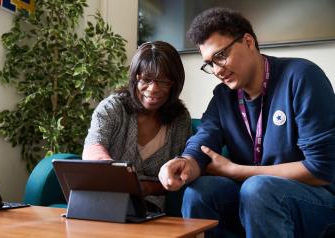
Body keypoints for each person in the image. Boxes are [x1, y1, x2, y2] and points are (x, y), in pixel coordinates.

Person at [158, 7, 335, 238]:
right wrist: (185, 163)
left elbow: (321, 170)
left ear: (248, 41)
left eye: (220, 56)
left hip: (317, 200)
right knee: (200, 191)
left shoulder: (302, 76)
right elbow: (204, 138)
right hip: (256, 197)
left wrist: (237, 171)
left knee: (258, 189)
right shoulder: (223, 96)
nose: (217, 70)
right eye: (209, 63)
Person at [83, 41, 192, 211]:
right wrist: (116, 176)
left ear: (175, 83)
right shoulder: (112, 108)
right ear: (135, 78)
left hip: (150, 209)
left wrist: (146, 188)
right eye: (146, 79)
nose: (153, 89)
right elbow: (93, 148)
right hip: (104, 201)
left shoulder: (180, 119)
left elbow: (181, 175)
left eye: (163, 81)